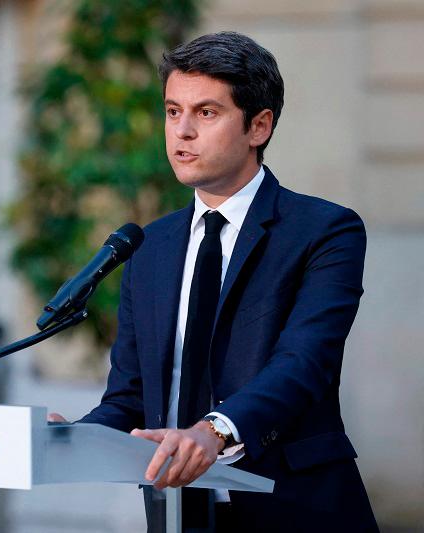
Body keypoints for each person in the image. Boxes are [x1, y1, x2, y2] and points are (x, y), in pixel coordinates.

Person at [49, 32, 378, 531]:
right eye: (172, 111)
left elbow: (303, 363)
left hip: (292, 506)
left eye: (206, 113)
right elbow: (130, 397)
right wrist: (74, 438)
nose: (181, 132)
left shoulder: (325, 231)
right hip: (177, 512)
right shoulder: (148, 247)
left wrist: (215, 432)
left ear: (259, 126)